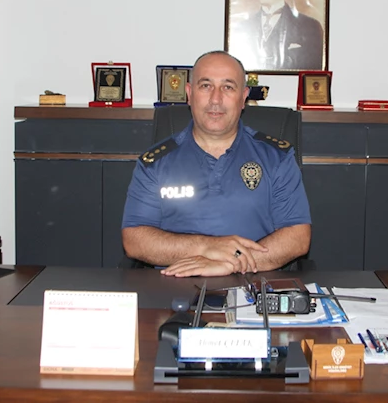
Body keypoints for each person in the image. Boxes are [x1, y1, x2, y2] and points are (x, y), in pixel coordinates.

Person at [121, 50, 312, 277]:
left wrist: (233, 263)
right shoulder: (155, 163)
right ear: (189, 94)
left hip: (253, 284)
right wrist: (207, 247)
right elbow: (134, 240)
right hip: (176, 285)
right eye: (206, 86)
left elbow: (298, 237)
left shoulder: (276, 157)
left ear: (243, 97)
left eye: (228, 87)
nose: (215, 99)